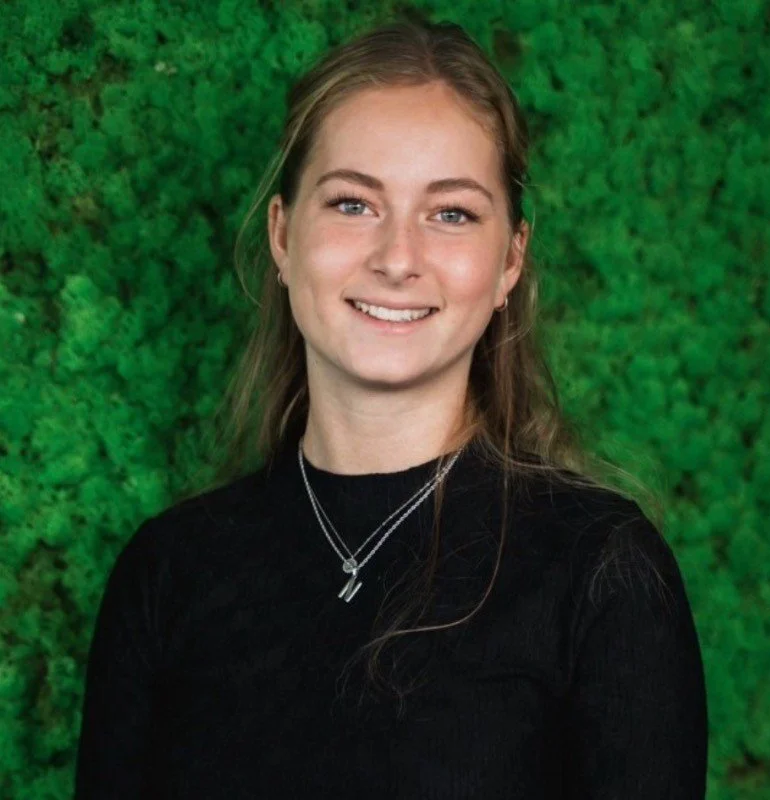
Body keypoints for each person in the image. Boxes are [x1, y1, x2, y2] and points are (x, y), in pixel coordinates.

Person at [73, 18, 708, 799]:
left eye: (451, 213)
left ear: (510, 261)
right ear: (282, 234)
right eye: (353, 203)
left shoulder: (602, 572)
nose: (398, 259)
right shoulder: (168, 572)